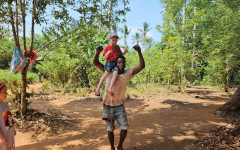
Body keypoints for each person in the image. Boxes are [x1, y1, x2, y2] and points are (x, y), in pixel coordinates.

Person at [93, 45, 145, 150]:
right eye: (118, 63)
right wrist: (98, 52)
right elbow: (96, 63)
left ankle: (120, 146)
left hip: (120, 106)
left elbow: (142, 66)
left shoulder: (128, 73)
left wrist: (139, 52)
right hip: (107, 106)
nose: (120, 64)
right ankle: (112, 147)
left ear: (125, 64)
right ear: (115, 64)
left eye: (122, 63)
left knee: (124, 127)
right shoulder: (108, 71)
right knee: (110, 129)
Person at [0, 83, 16, 150]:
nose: (6, 94)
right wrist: (1, 138)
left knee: (10, 147)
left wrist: (13, 128)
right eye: (4, 92)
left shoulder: (6, 104)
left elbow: (9, 117)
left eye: (6, 92)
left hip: (9, 131)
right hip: (2, 133)